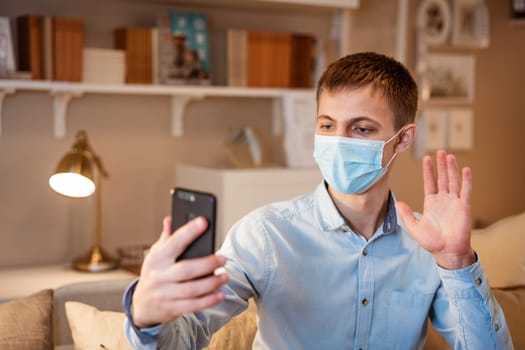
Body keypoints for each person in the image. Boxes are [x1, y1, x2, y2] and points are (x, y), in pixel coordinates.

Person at [123, 52, 513, 349]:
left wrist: (457, 263)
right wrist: (147, 317)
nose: (338, 141)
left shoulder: (428, 245)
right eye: (327, 126)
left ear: (403, 139)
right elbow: (186, 336)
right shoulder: (266, 234)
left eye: (360, 128)